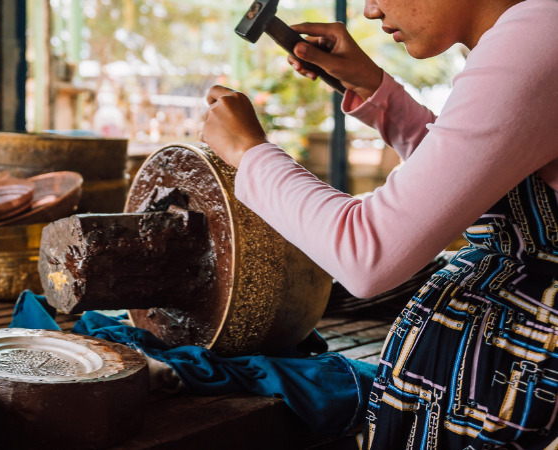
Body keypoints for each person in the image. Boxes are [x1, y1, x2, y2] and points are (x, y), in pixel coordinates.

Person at [200, 0, 558, 447]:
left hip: (523, 395)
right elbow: (474, 180)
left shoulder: (538, 33)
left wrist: (250, 152)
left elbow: (367, 253)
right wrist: (373, 88)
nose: (370, 10)